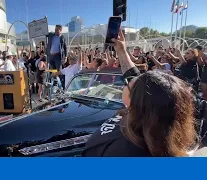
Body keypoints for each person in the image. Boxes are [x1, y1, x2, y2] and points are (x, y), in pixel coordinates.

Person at [82, 29, 197, 157]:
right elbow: (132, 74)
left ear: (141, 102)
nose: (131, 82)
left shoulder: (128, 152)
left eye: (138, 83)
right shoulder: (146, 118)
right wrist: (121, 50)